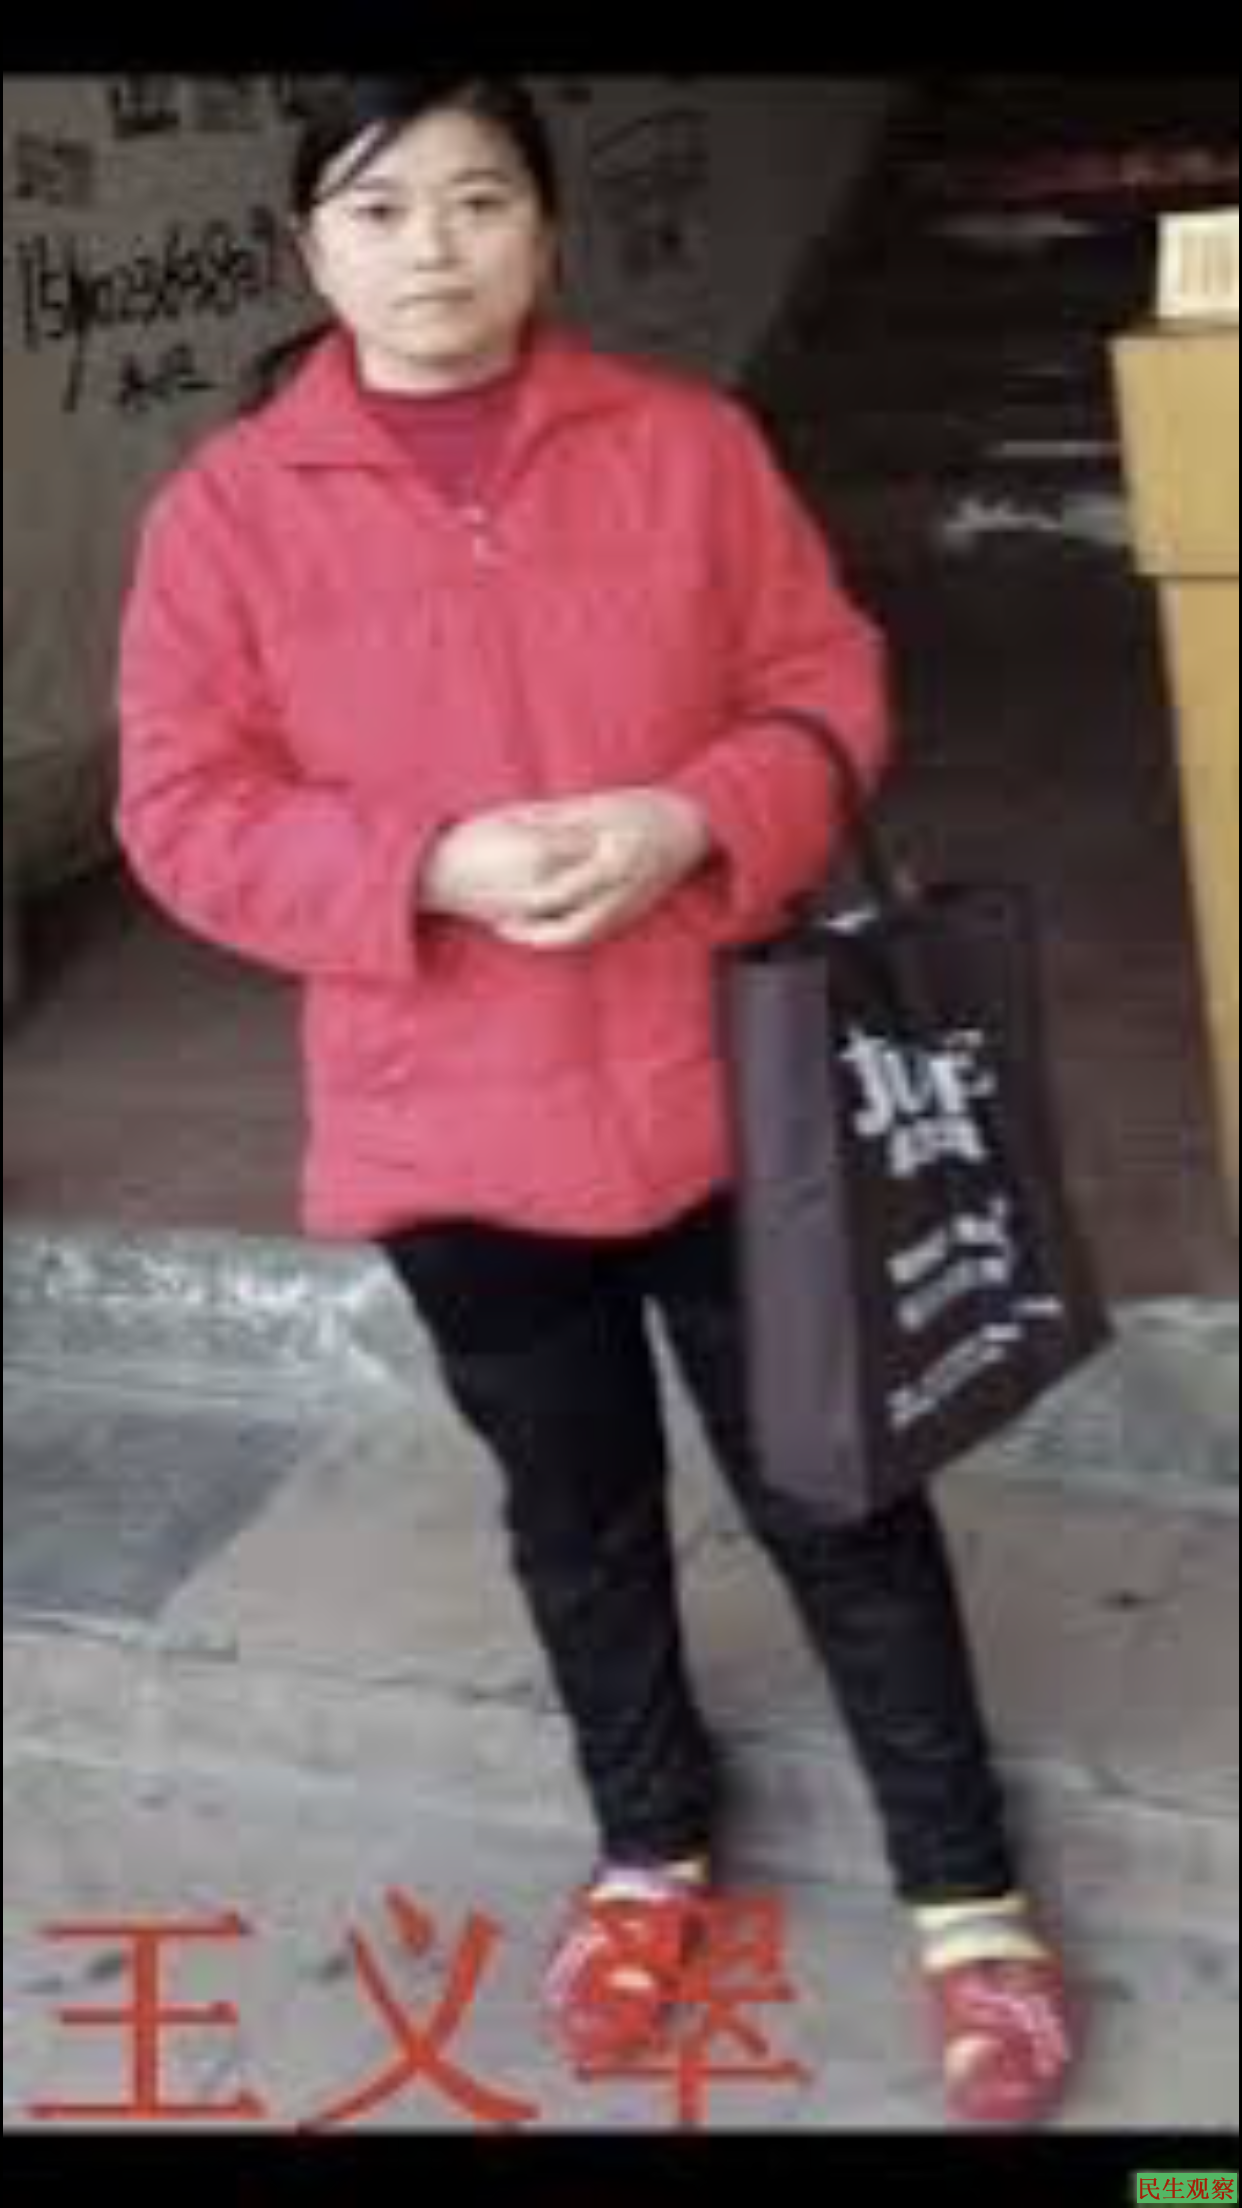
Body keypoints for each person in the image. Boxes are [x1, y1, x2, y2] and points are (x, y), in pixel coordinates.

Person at [115, 75, 1077, 2126]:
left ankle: (966, 1893)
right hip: (446, 1123)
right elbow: (183, 809)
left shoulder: (687, 445)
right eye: (381, 208)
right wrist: (421, 866)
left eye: (480, 199)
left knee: (843, 1496)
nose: (433, 246)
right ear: (310, 248)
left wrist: (690, 818)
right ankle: (648, 1844)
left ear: (548, 230)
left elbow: (826, 686)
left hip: (732, 1098)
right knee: (575, 1517)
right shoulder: (226, 513)